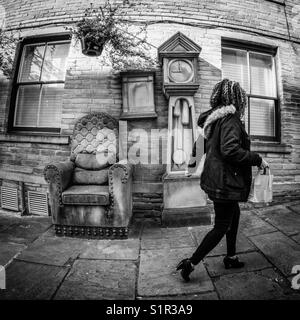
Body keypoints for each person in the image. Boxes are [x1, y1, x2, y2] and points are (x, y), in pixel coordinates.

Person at [176, 79, 269, 282]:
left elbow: (198, 145)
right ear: (236, 98)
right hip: (225, 183)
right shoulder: (230, 119)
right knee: (221, 225)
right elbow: (230, 150)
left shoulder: (213, 120)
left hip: (217, 180)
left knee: (234, 214)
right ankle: (190, 264)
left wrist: (191, 166)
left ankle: (231, 257)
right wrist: (258, 159)